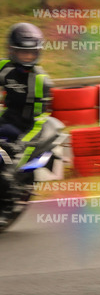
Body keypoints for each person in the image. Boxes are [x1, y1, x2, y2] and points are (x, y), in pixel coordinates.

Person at [0, 23, 53, 224]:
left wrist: (22, 143)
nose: (28, 57)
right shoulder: (4, 68)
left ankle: (5, 208)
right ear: (12, 51)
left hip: (26, 129)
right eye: (23, 53)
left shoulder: (41, 81)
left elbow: (39, 120)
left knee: (5, 170)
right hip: (6, 119)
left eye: (32, 53)